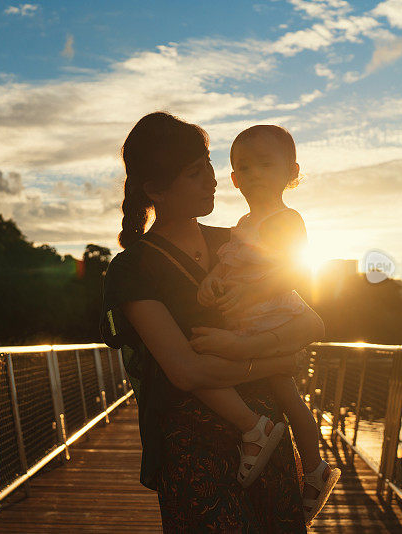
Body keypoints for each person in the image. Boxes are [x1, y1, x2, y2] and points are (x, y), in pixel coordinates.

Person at [101, 111, 325, 532]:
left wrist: (252, 350)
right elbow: (186, 371)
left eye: (208, 164)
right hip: (193, 451)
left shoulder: (238, 241)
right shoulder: (133, 268)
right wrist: (274, 360)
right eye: (193, 172)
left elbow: (310, 324)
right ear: (155, 188)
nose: (213, 178)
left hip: (270, 440)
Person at [192, 125, 341, 525]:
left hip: (270, 314)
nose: (254, 173)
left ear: (291, 172)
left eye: (265, 164)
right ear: (235, 179)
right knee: (284, 391)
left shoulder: (285, 219)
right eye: (245, 167)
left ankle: (278, 445)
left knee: (213, 366)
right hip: (249, 315)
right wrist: (213, 280)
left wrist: (250, 297)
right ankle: (312, 466)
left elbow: (291, 272)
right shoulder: (244, 221)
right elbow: (228, 262)